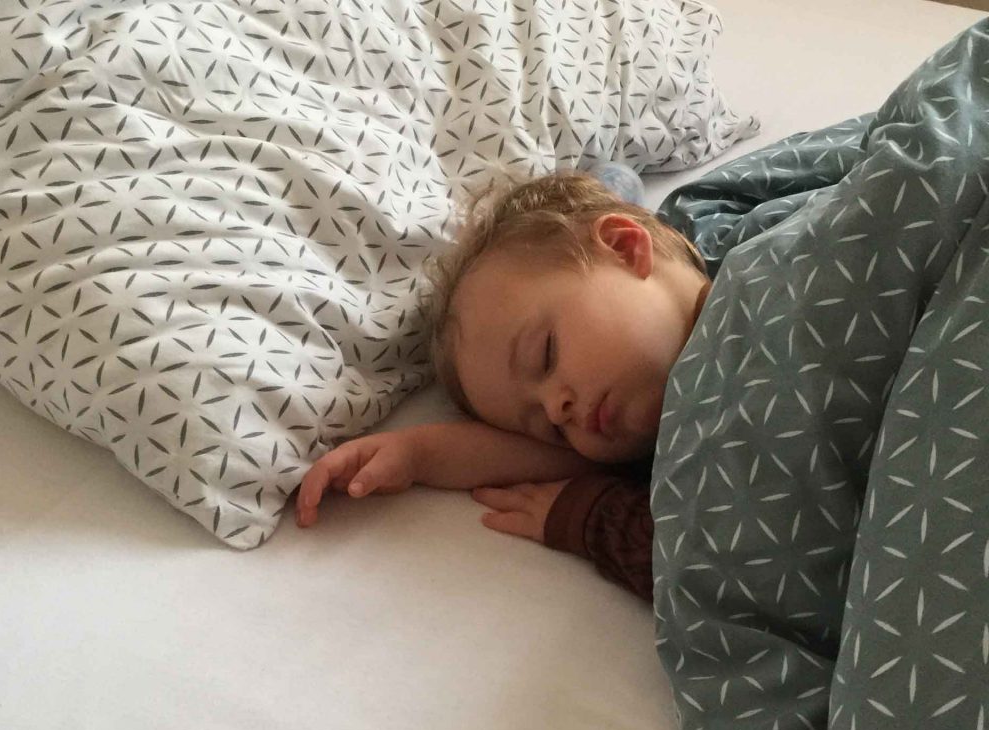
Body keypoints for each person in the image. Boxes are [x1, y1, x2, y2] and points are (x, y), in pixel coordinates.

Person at [294, 171, 712, 603]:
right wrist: (416, 453)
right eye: (550, 430)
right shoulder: (673, 453)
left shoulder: (755, 288)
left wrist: (593, 520)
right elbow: (720, 559)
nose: (556, 409)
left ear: (625, 248)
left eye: (545, 354)